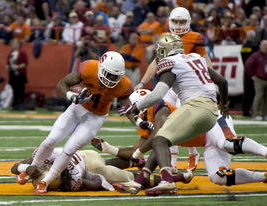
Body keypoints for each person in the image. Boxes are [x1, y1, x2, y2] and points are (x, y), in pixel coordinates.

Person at [116, 33, 228, 196]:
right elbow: (222, 82)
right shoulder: (196, 58)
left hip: (195, 107)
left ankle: (167, 181)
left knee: (159, 139)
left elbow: (156, 95)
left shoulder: (171, 63)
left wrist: (134, 108)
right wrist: (223, 105)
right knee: (162, 139)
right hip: (212, 114)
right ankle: (138, 182)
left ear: (164, 50)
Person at [16, 51, 139, 194]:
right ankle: (31, 169)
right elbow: (63, 83)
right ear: (100, 68)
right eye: (109, 74)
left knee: (69, 149)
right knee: (51, 140)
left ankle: (46, 181)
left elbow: (128, 109)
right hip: (78, 108)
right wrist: (71, 96)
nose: (111, 79)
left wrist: (138, 122)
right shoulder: (88, 68)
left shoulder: (124, 85)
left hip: (96, 117)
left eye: (115, 76)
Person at [113, 106, 267, 194]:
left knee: (227, 143)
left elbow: (155, 139)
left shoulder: (162, 109)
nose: (140, 117)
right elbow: (156, 148)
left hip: (213, 122)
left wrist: (138, 156)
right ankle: (264, 177)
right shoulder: (152, 124)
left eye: (140, 111)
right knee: (218, 177)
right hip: (206, 141)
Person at [135, 7, 214, 173]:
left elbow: (206, 62)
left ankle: (193, 152)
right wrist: (142, 82)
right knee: (166, 123)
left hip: (187, 88)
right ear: (170, 22)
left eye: (182, 22)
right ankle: (171, 162)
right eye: (175, 21)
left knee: (183, 121)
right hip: (169, 85)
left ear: (188, 23)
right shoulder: (166, 38)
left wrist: (209, 83)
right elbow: (156, 62)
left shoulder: (194, 38)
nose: (178, 25)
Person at [12, 148, 193, 192]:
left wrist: (27, 168)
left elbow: (97, 184)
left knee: (130, 178)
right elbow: (15, 167)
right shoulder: (48, 157)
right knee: (107, 164)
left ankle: (177, 179)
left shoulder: (73, 179)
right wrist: (27, 167)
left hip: (92, 167)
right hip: (86, 154)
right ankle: (133, 159)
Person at [244, 40, 267, 121]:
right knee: (259, 96)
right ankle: (256, 113)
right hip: (259, 79)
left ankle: (265, 114)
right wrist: (252, 75)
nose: (266, 46)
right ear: (260, 46)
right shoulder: (256, 55)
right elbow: (247, 65)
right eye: (264, 45)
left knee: (266, 97)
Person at [5, 39, 29, 110]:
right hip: (12, 74)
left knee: (21, 89)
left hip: (20, 73)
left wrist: (18, 67)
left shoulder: (22, 52)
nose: (14, 45)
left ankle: (21, 104)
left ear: (19, 44)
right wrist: (8, 67)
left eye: (16, 43)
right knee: (14, 90)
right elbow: (8, 63)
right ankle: (15, 105)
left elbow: (25, 63)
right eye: (13, 43)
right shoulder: (10, 53)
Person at [240, 30, 260, 117]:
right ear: (253, 37)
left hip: (246, 71)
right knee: (256, 92)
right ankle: (255, 110)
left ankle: (245, 111)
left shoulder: (244, 47)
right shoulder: (255, 47)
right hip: (254, 72)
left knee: (247, 92)